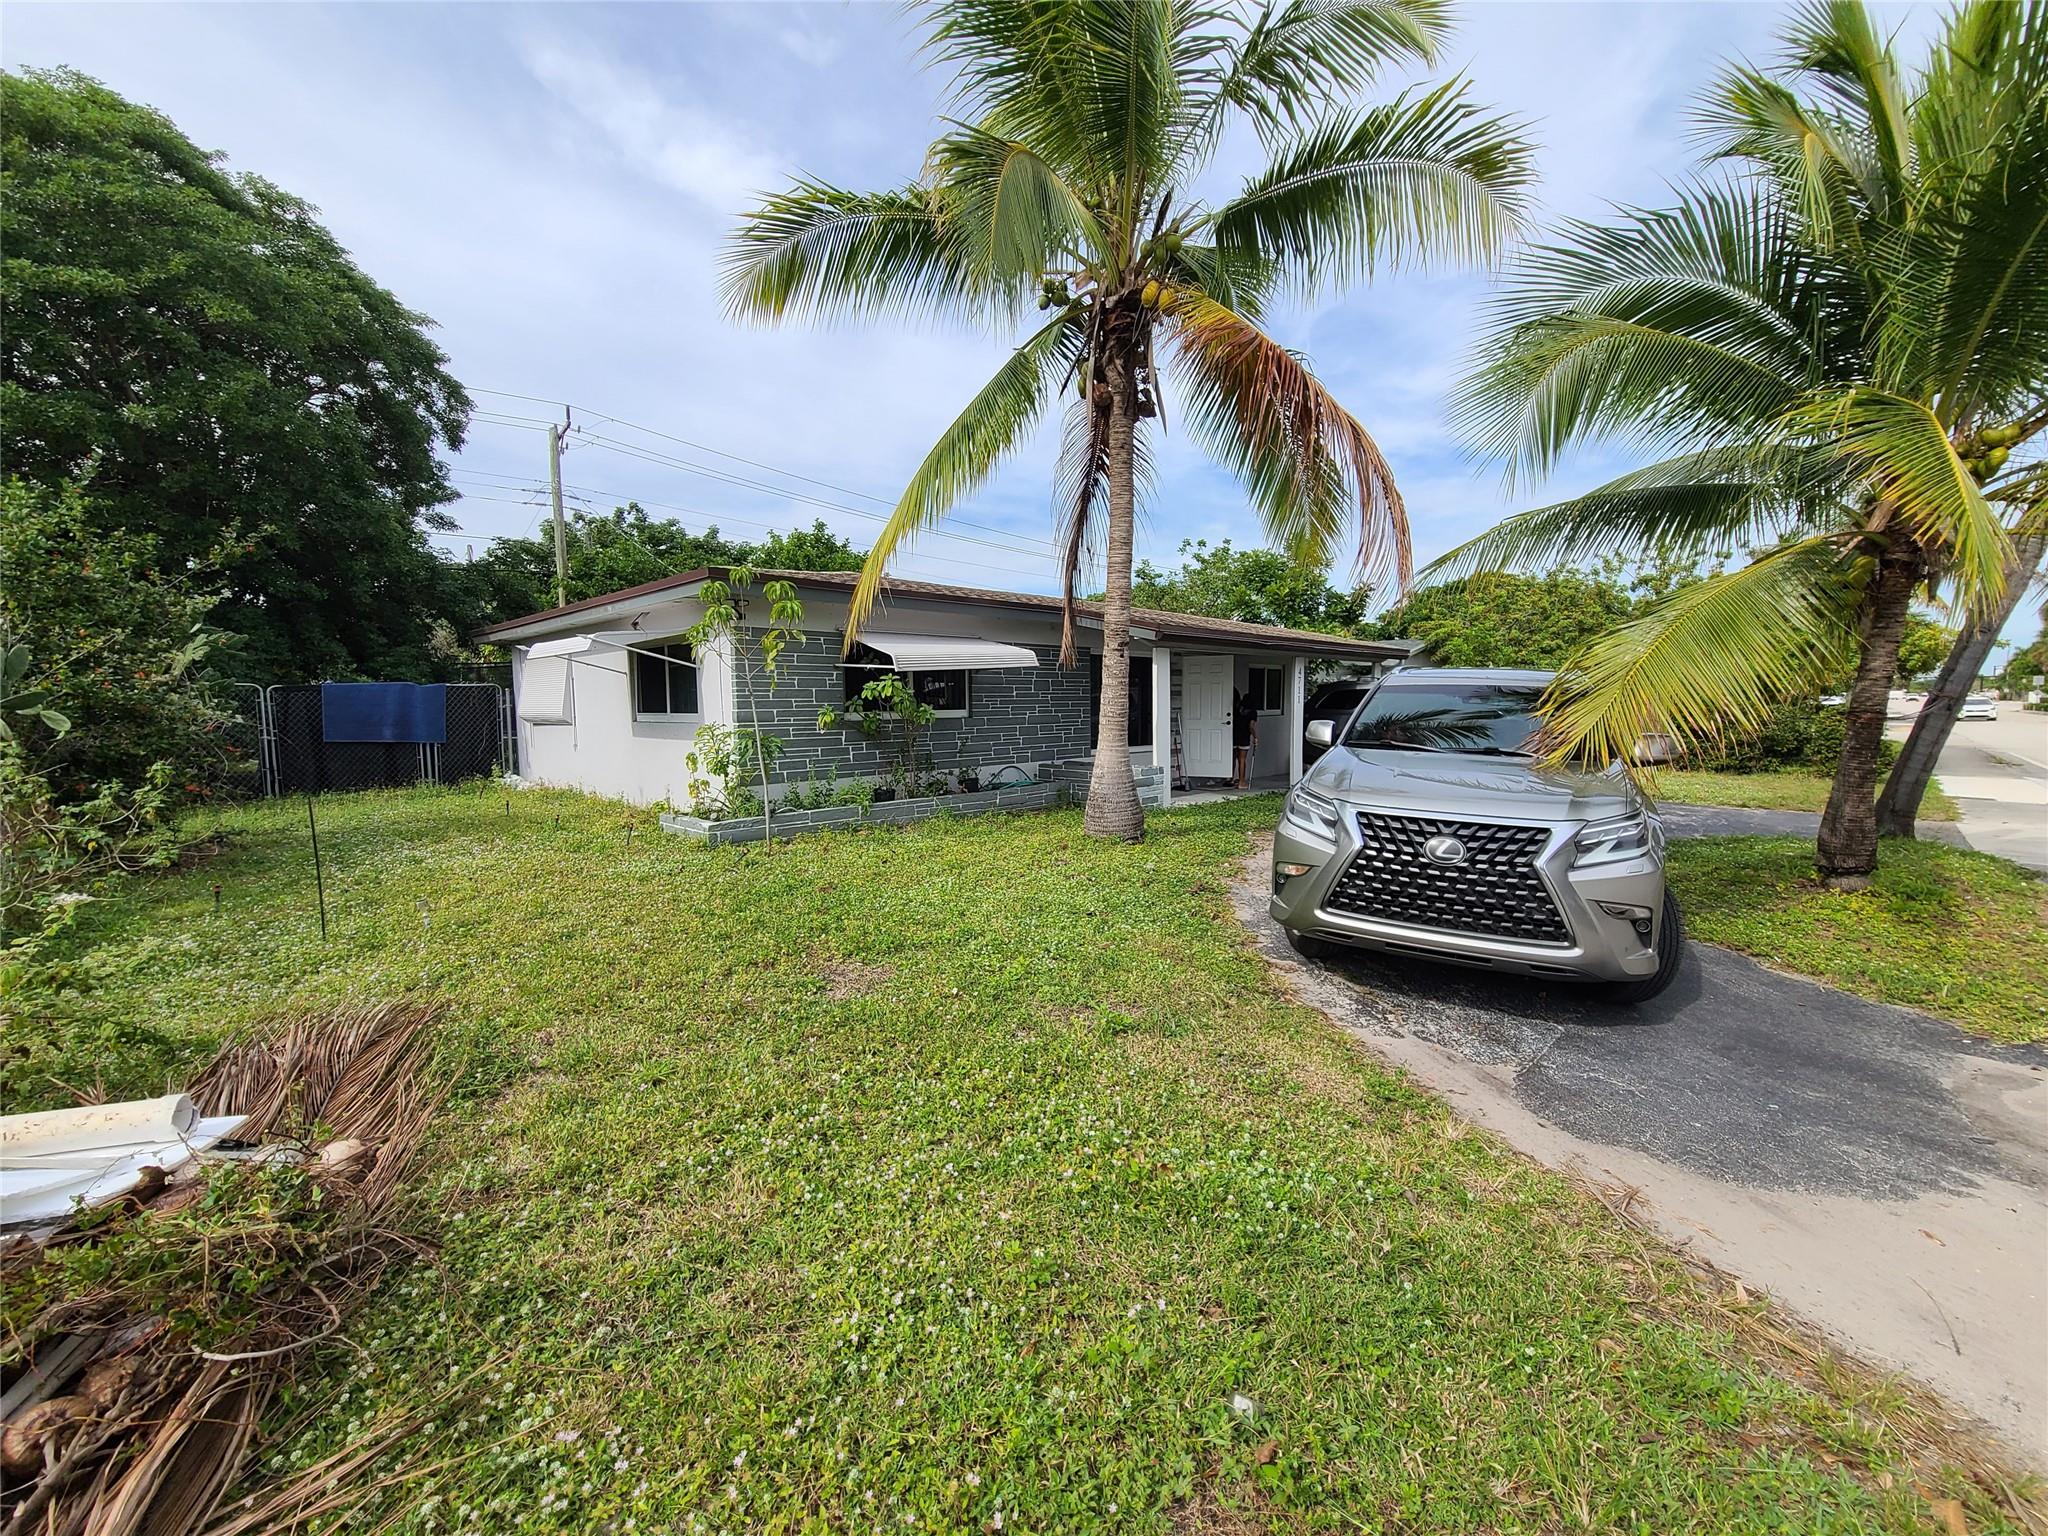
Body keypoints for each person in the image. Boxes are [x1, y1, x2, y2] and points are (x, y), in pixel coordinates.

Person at [1232, 686, 1258, 788]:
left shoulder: (1237, 709)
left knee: (1233, 758)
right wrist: (1255, 737)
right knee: (1242, 759)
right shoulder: (1252, 712)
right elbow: (1251, 726)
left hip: (1234, 735)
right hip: (1244, 737)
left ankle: (1231, 778)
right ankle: (1241, 782)